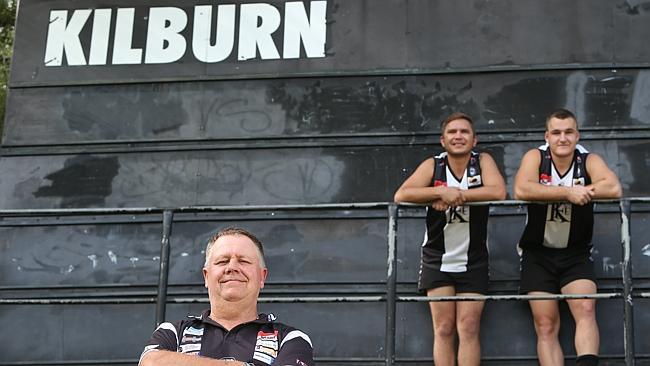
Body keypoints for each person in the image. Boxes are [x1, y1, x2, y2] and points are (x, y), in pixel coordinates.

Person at [394, 112, 506, 366]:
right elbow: (401, 195)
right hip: (437, 258)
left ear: (474, 140)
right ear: (443, 141)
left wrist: (458, 195)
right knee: (444, 328)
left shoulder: (483, 161)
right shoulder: (433, 165)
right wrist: (439, 191)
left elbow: (498, 191)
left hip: (473, 259)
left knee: (468, 328)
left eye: (464, 132)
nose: (458, 136)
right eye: (452, 132)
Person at [514, 109, 622, 366]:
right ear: (547, 136)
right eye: (556, 132)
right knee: (546, 323)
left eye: (568, 132)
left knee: (585, 309)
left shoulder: (588, 160)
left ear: (577, 135)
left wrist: (582, 190)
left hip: (575, 252)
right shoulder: (536, 157)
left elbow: (613, 187)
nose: (562, 138)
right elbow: (521, 188)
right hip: (537, 253)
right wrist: (566, 193)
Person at [138, 227, 314, 366]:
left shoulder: (290, 338)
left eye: (243, 261)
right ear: (206, 276)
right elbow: (151, 362)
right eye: (222, 261)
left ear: (262, 277)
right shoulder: (173, 332)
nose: (232, 267)